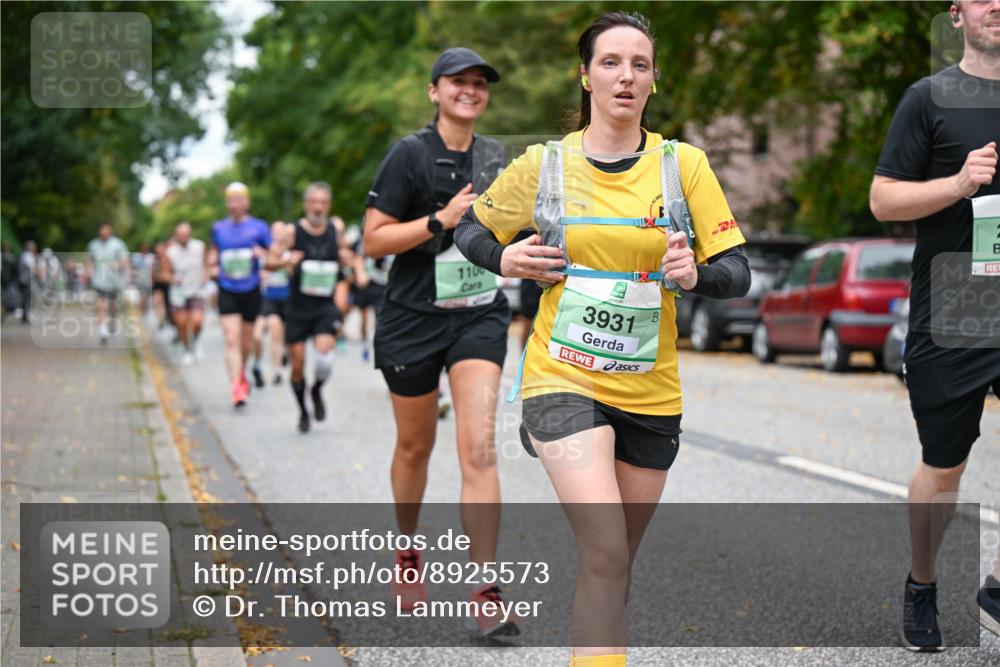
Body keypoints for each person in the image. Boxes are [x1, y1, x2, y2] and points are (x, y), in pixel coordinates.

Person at [455, 13, 750, 665]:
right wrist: (505, 261)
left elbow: (738, 270)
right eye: (610, 62)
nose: (625, 75)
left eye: (639, 64)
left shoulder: (684, 166)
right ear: (585, 75)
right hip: (561, 377)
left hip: (650, 390)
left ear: (653, 82)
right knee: (608, 548)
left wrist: (696, 273)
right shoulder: (546, 164)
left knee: (610, 566)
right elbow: (471, 230)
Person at [363, 47, 519, 637]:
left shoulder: (494, 156)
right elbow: (374, 242)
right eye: (459, 81)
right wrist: (440, 221)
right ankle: (406, 548)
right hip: (412, 318)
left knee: (479, 447)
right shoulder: (408, 154)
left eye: (480, 83)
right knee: (414, 448)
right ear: (435, 92)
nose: (470, 90)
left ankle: (485, 590)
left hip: (477, 314)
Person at [869, 0, 1000, 652]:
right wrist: (956, 183)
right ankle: (922, 580)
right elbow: (883, 197)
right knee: (943, 466)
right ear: (957, 15)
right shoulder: (929, 98)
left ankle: (999, 585)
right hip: (954, 311)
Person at [267, 182, 345, 433]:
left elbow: (343, 258)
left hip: (324, 306)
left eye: (323, 202)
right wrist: (285, 259)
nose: (318, 207)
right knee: (298, 365)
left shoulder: (336, 229)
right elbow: (269, 262)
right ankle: (303, 411)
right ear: (306, 204)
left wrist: (347, 262)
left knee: (325, 360)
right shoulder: (292, 232)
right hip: (298, 307)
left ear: (328, 205)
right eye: (314, 202)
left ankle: (317, 389)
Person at [209, 182, 272, 407]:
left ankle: (242, 372)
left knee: (246, 342)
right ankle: (236, 384)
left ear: (247, 201)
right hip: (227, 288)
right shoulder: (218, 228)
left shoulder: (259, 227)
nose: (235, 202)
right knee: (231, 338)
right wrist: (212, 266)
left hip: (251, 288)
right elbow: (214, 253)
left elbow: (271, 254)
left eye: (240, 198)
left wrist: (263, 256)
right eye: (231, 198)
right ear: (226, 202)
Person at [254, 221, 291, 386]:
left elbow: (292, 272)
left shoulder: (291, 253)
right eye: (274, 231)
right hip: (269, 298)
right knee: (271, 331)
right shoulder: (264, 253)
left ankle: (277, 369)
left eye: (281, 231)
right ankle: (269, 368)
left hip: (287, 299)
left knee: (280, 337)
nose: (278, 234)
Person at [165, 222, 208, 366]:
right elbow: (165, 273)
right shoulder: (170, 252)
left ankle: (195, 341)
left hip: (196, 289)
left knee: (197, 321)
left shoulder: (200, 247)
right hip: (179, 292)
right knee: (182, 323)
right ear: (177, 235)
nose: (184, 237)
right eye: (181, 235)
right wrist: (172, 278)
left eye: (186, 234)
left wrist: (206, 275)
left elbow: (207, 264)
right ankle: (187, 350)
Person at [86, 223, 130, 345]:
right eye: (102, 230)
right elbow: (89, 260)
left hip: (114, 282)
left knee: (113, 307)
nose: (104, 232)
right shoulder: (93, 245)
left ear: (110, 231)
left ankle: (113, 324)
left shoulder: (118, 244)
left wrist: (117, 265)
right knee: (102, 305)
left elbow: (125, 261)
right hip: (99, 281)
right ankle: (103, 331)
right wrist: (88, 273)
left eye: (106, 230)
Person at [152, 240, 174, 330]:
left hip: (167, 285)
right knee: (158, 302)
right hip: (157, 284)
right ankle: (160, 319)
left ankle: (168, 318)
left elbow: (170, 273)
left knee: (167, 304)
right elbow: (152, 274)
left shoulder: (168, 259)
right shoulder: (155, 261)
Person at [17, 241, 37, 324]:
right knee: (26, 299)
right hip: (25, 280)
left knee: (26, 299)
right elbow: (31, 267)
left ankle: (25, 317)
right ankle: (25, 317)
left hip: (26, 280)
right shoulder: (26, 255)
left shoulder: (27, 255)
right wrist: (39, 272)